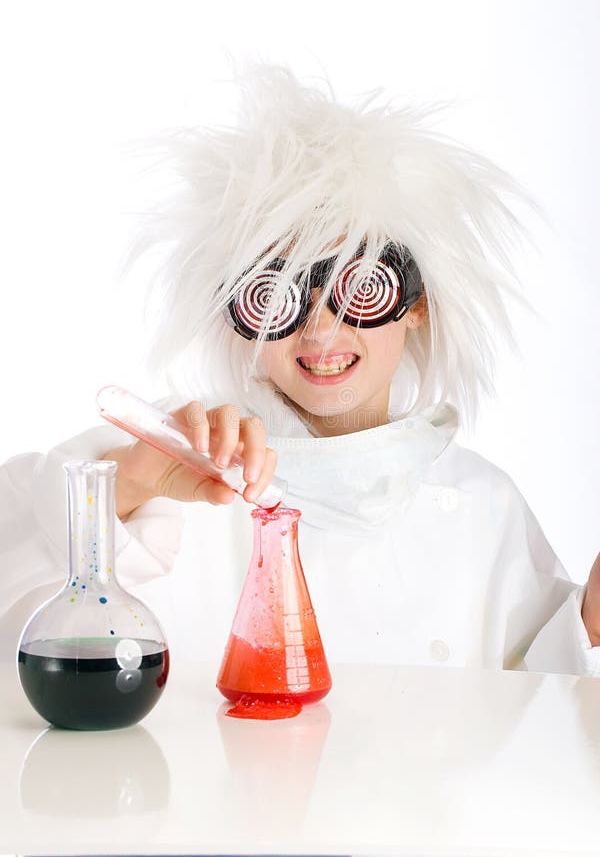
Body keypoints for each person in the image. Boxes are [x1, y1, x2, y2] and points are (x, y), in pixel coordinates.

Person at [2, 60, 599, 674]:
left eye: (358, 284)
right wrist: (128, 486)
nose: (320, 330)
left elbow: (535, 706)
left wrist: (588, 624)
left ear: (417, 303)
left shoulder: (484, 504)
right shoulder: (189, 478)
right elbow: (31, 605)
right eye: (278, 294)